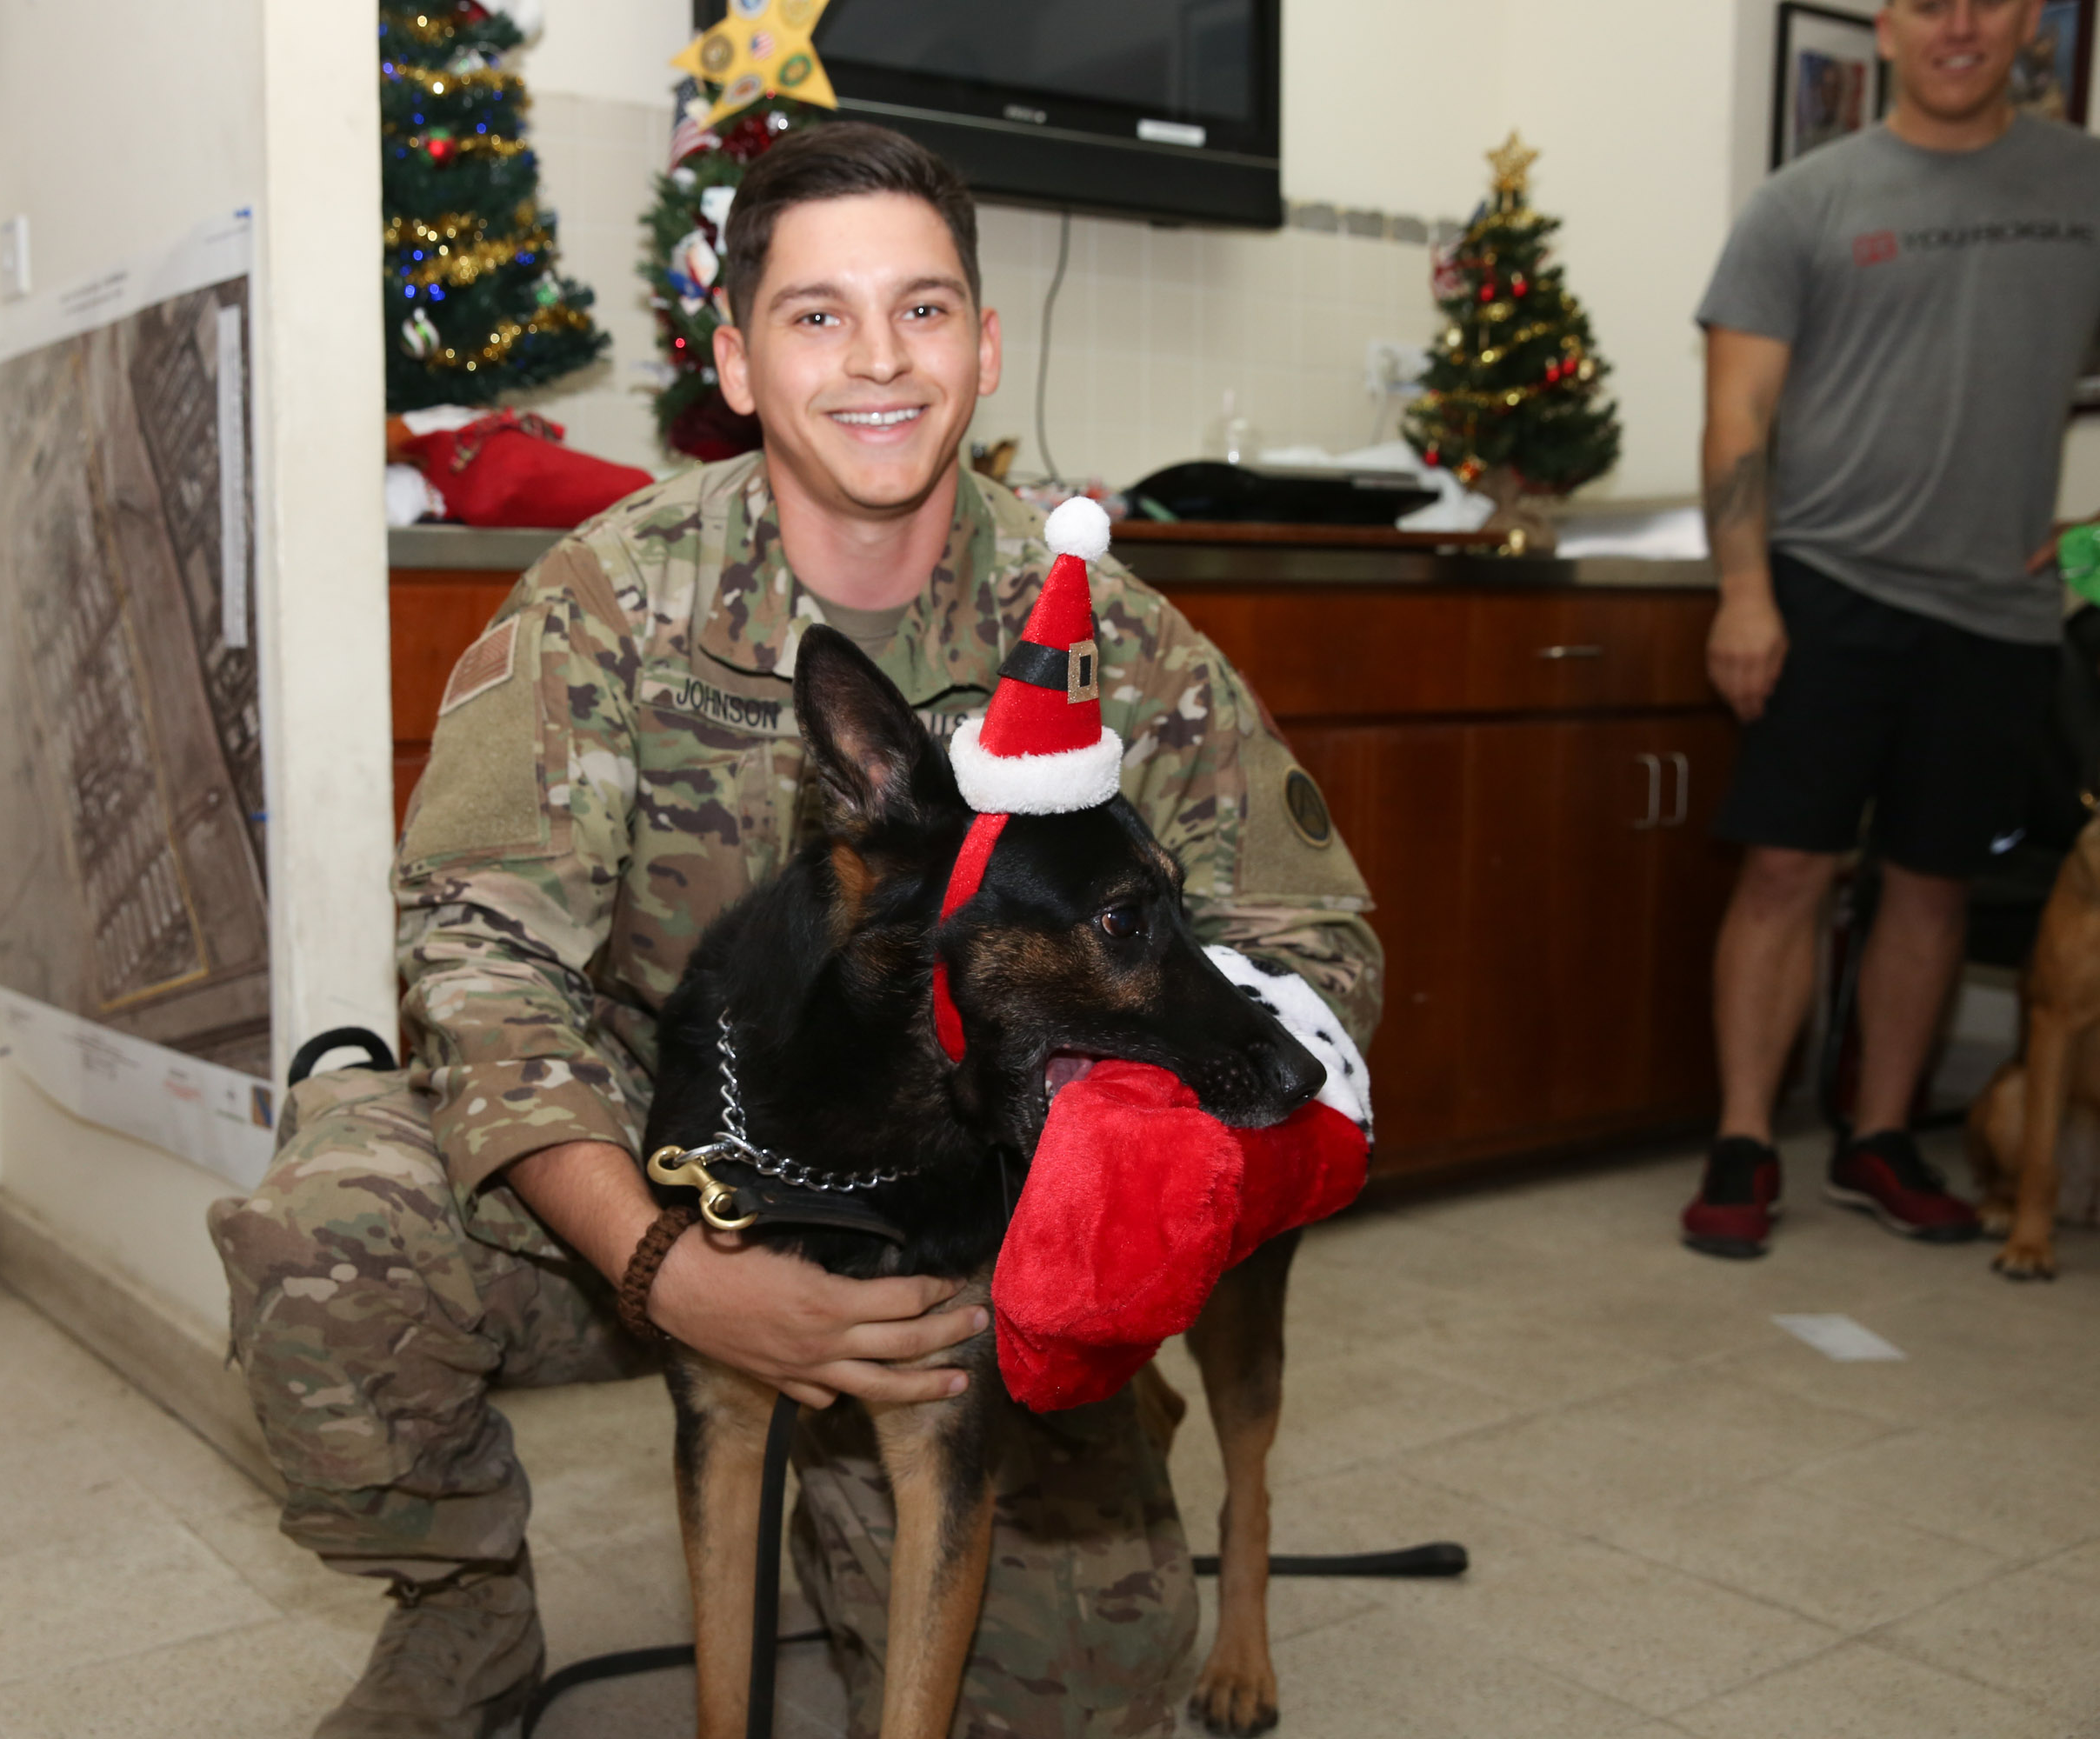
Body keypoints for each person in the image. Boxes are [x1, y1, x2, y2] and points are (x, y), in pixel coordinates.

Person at [209, 122, 1381, 1738]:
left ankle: (963, 1468)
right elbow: (477, 967)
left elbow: (1310, 946)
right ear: (738, 363)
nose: (879, 359)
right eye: (818, 315)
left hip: (965, 1220)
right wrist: (665, 1264)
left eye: (922, 307)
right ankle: (464, 1614)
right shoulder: (606, 602)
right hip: (642, 1167)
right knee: (329, 1235)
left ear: (982, 341)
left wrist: (1089, 1186)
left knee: (1090, 1690)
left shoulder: (1110, 633)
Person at [1684, 0, 2100, 1260]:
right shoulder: (1803, 201)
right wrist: (1746, 594)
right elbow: (1737, 413)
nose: (1958, 25)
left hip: (1999, 609)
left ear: (2028, 18)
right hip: (1825, 587)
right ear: (1887, 24)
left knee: (1934, 885)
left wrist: (2093, 534)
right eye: (1928, 1)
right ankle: (1746, 1141)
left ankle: (1878, 1140)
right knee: (1786, 871)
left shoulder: (2084, 186)